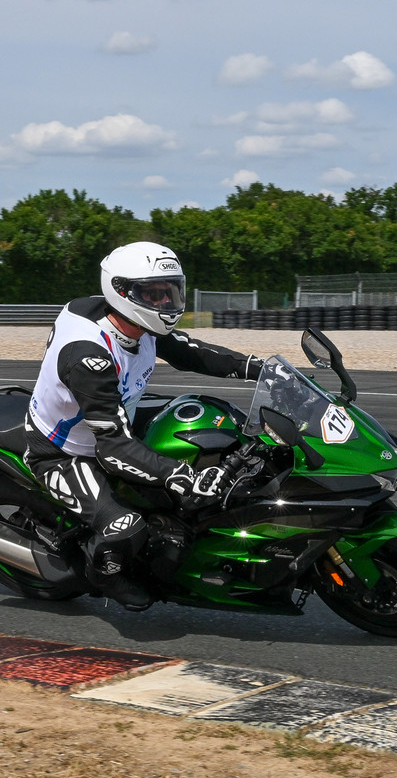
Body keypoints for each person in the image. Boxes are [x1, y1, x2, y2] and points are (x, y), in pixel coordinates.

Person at [25, 241, 263, 609]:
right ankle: (104, 573)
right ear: (120, 292)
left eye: (170, 292)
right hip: (65, 450)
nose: (166, 303)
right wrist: (180, 475)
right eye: (154, 294)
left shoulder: (134, 323)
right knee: (126, 525)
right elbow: (112, 445)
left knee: (209, 433)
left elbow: (189, 351)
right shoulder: (90, 357)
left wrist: (258, 368)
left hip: (115, 414)